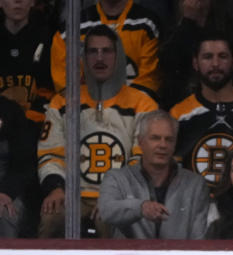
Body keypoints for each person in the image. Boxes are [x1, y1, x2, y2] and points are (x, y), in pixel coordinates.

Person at [37, 25, 159, 238]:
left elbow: (142, 159)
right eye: (92, 51)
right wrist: (56, 188)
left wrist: (116, 197)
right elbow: (51, 154)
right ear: (84, 57)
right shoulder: (63, 102)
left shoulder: (143, 104)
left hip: (122, 195)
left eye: (107, 51)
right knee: (51, 216)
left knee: (111, 219)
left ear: (118, 55)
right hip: (72, 195)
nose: (99, 57)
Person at [169, 33, 233, 189]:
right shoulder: (179, 113)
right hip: (196, 206)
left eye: (222, 56)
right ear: (195, 63)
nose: (215, 63)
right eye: (207, 57)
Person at [98, 110, 210, 239]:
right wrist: (141, 208)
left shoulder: (195, 184)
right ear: (140, 142)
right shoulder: (117, 178)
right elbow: (106, 210)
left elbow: (199, 239)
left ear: (175, 144)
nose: (163, 145)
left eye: (169, 139)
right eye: (155, 138)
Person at [49, 0, 163, 97]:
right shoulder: (70, 30)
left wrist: (119, 108)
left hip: (133, 115)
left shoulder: (147, 24)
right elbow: (66, 86)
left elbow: (149, 81)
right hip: (86, 115)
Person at [158, 0, 233, 109]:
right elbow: (168, 64)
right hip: (183, 100)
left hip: (225, 98)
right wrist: (187, 22)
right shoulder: (170, 22)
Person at [0, 0, 54, 131]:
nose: (18, 1)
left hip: (36, 122)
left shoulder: (48, 39)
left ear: (32, 2)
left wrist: (31, 118)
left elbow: (49, 88)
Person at [0, 94, 35, 238]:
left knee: (7, 214)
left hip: (6, 188)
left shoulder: (9, 110)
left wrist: (6, 192)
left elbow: (24, 162)